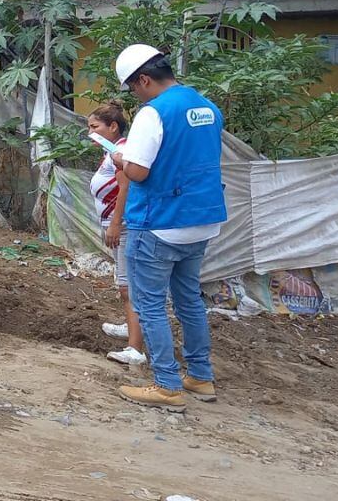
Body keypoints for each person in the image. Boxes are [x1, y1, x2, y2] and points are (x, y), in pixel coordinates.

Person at [111, 44, 226, 412]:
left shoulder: (154, 113)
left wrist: (121, 160)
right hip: (203, 219)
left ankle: (166, 384)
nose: (135, 94)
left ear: (144, 79)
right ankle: (200, 376)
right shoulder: (207, 108)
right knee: (190, 299)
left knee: (150, 304)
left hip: (160, 222)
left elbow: (139, 172)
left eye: (133, 88)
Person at [88, 101, 146, 366]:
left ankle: (136, 347)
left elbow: (126, 189)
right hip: (117, 224)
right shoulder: (112, 153)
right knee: (124, 281)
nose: (91, 132)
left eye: (95, 126)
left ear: (113, 127)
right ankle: (130, 326)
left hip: (122, 226)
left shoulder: (121, 153)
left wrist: (114, 223)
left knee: (127, 286)